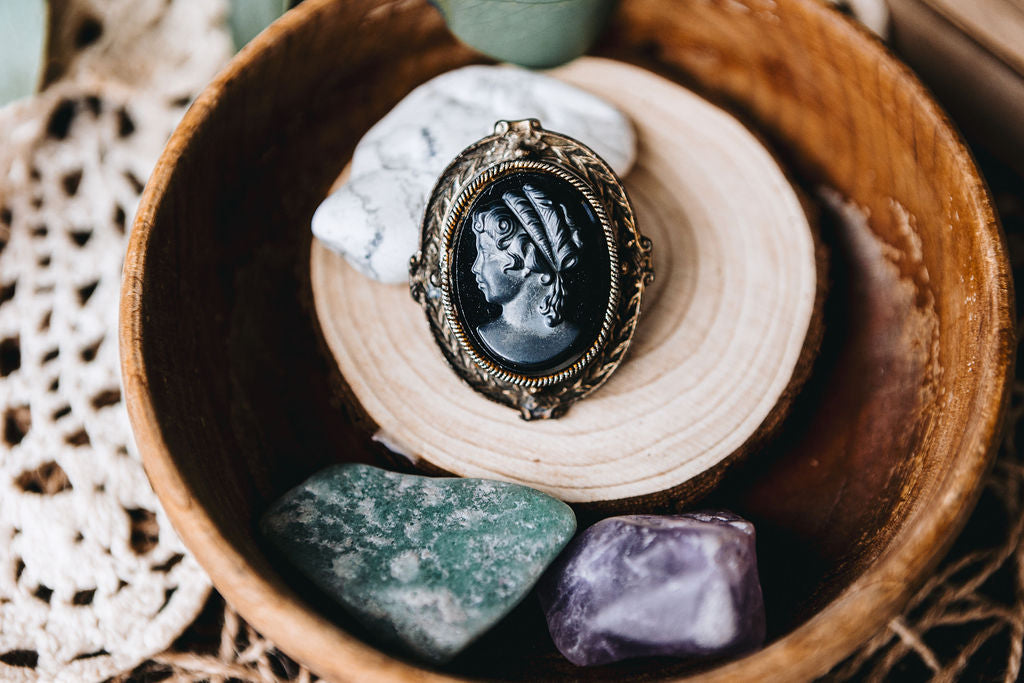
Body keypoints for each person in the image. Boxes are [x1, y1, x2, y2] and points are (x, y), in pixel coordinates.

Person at [470, 183, 584, 368]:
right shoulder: (487, 336)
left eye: (487, 254)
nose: (475, 267)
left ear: (526, 260)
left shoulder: (570, 339)